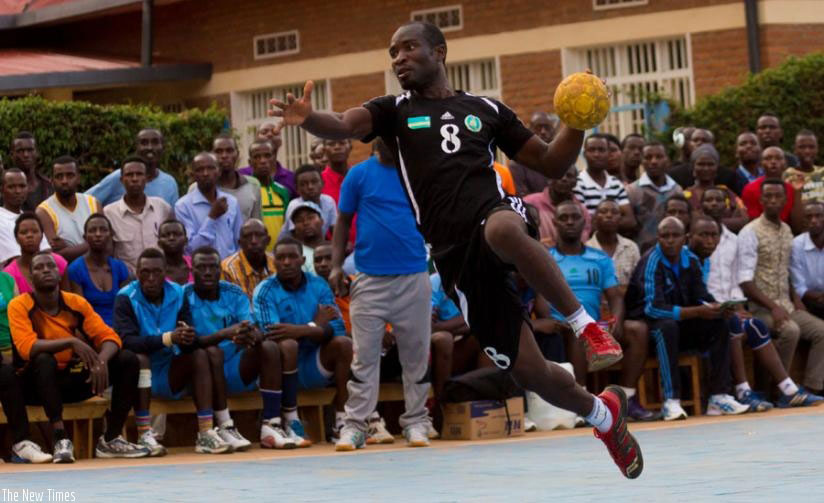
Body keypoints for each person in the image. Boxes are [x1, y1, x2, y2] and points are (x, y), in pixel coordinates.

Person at [270, 21, 642, 478]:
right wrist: (308, 118)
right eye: (393, 52)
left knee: (504, 228)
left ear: (440, 51)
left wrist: (578, 123)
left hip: (494, 216)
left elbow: (550, 161)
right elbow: (344, 124)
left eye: (409, 48)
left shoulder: (486, 109)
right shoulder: (394, 111)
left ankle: (588, 327)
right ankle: (604, 415)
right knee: (531, 372)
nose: (399, 58)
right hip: (454, 257)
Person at [328, 136, 434, 450]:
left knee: (416, 356)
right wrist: (336, 266)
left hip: (413, 275)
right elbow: (343, 222)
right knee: (363, 358)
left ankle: (416, 423)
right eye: (388, 135)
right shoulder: (359, 175)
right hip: (369, 278)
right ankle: (356, 427)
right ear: (376, 140)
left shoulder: (416, 171)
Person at [9, 252, 149, 462]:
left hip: (71, 381)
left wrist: (101, 360)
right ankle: (60, 439)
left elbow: (110, 336)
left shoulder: (76, 303)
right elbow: (26, 347)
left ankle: (111, 438)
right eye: (39, 267)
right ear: (31, 277)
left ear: (59, 274)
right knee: (44, 359)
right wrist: (71, 341)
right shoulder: (20, 305)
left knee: (128, 359)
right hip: (35, 385)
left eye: (50, 266)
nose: (46, 270)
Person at [185, 245, 310, 449]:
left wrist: (248, 335)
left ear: (220, 269)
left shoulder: (234, 293)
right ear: (192, 271)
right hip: (201, 374)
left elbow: (252, 327)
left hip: (234, 366)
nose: (207, 272)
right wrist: (224, 333)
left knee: (268, 347)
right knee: (211, 352)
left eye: (212, 267)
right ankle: (225, 426)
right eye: (201, 267)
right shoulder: (184, 296)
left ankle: (271, 425)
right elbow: (189, 342)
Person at [693, 211, 820, 409]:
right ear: (690, 236)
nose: (709, 241)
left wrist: (736, 306)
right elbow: (700, 295)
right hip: (706, 316)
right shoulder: (691, 258)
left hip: (730, 308)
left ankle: (793, 389)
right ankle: (749, 391)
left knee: (755, 325)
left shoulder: (785, 230)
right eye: (704, 235)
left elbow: (784, 273)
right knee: (745, 325)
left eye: (713, 236)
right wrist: (728, 308)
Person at [625, 217, 748, 420]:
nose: (670, 240)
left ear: (685, 238)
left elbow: (701, 296)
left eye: (675, 236)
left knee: (720, 322)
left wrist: (718, 307)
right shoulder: (651, 261)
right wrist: (697, 311)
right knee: (667, 327)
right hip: (650, 327)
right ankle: (671, 401)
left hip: (682, 323)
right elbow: (653, 308)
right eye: (665, 236)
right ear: (658, 238)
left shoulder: (690, 260)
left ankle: (719, 396)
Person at [114, 247, 232, 455]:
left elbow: (188, 336)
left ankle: (205, 433)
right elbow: (128, 341)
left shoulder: (177, 292)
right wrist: (169, 338)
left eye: (156, 272)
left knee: (199, 354)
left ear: (165, 272)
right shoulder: (125, 297)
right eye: (145, 273)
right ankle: (144, 434)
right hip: (138, 376)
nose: (151, 278)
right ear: (137, 273)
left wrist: (187, 336)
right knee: (139, 358)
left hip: (169, 370)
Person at [551, 201, 655, 421]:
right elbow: (541, 298)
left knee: (637, 329)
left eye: (574, 217)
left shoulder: (599, 259)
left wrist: (616, 319)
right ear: (554, 223)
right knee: (578, 330)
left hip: (594, 324)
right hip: (562, 326)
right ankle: (582, 404)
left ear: (584, 223)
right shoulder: (546, 258)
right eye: (563, 218)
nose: (570, 222)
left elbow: (615, 296)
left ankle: (626, 399)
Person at [253, 237, 352, 442]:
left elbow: (337, 328)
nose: (286, 262)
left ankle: (343, 421)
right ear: (274, 262)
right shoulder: (265, 290)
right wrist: (315, 325)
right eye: (280, 258)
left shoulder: (319, 286)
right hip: (279, 370)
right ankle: (291, 420)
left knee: (344, 344)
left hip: (314, 363)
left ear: (302, 259)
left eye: (292, 257)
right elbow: (272, 333)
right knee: (287, 345)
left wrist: (301, 330)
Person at [738, 180, 824, 395]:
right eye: (768, 196)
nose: (773, 200)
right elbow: (745, 282)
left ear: (785, 201)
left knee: (821, 331)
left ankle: (812, 386)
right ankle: (781, 391)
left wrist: (796, 299)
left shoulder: (787, 230)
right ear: (761, 200)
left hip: (787, 305)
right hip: (761, 309)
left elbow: (786, 272)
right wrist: (773, 307)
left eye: (778, 196)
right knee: (790, 331)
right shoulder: (750, 232)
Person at [104, 156, 173, 272]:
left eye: (139, 174)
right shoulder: (109, 213)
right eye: (129, 175)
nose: (134, 179)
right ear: (122, 180)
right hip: (127, 283)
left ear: (147, 178)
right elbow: (107, 255)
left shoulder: (162, 207)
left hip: (161, 279)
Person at [86, 129, 180, 207]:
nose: (150, 147)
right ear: (136, 148)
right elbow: (86, 201)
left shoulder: (169, 183)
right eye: (144, 143)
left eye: (155, 142)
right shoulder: (119, 177)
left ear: (163, 147)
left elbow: (173, 218)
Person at [175, 152, 243, 259]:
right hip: (201, 271)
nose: (205, 173)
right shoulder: (182, 206)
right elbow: (190, 249)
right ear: (193, 175)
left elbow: (239, 242)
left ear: (219, 172)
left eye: (211, 168)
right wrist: (212, 217)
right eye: (199, 170)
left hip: (230, 271)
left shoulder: (232, 202)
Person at [67, 214, 130, 326]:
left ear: (111, 235)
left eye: (103, 230)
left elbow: (127, 308)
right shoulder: (75, 269)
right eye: (92, 230)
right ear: (85, 237)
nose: (98, 234)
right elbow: (80, 313)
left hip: (120, 328)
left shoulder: (120, 268)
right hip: (91, 329)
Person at [36, 156, 102, 262]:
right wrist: (95, 243)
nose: (64, 181)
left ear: (78, 178)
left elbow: (107, 243)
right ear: (51, 180)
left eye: (70, 175)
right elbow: (57, 256)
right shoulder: (44, 211)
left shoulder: (93, 203)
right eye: (59, 176)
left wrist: (68, 247)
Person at [574, 134, 637, 235]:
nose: (596, 154)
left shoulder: (616, 183)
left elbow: (630, 221)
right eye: (592, 150)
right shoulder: (577, 183)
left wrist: (600, 224)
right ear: (584, 154)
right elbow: (581, 222)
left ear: (608, 154)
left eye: (601, 150)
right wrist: (613, 221)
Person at [626, 141, 682, 251]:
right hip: (642, 251)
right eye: (648, 157)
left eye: (659, 157)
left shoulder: (677, 190)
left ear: (667, 160)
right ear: (642, 161)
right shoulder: (632, 190)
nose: (654, 161)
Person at [683, 144, 748, 233]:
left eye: (710, 164)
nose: (706, 168)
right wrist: (727, 222)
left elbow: (744, 219)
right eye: (701, 164)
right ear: (693, 167)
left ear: (717, 168)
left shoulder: (726, 191)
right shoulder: (685, 195)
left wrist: (706, 223)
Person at [524, 165, 591, 247]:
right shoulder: (529, 202)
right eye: (559, 175)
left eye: (569, 176)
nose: (564, 178)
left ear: (575, 182)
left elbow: (582, 241)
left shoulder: (581, 211)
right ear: (549, 179)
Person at [5, 213, 71, 294]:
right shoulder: (9, 274)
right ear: (16, 238)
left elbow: (67, 297)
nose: (29, 236)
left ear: (42, 235)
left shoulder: (58, 261)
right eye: (24, 232)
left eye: (35, 231)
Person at [741, 146, 803, 231]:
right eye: (768, 158)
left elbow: (798, 226)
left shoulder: (792, 189)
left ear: (785, 163)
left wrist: (797, 193)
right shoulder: (750, 189)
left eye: (778, 158)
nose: (773, 162)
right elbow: (753, 223)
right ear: (760, 164)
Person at [206, 133, 262, 221]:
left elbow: (257, 223)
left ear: (237, 154)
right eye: (219, 151)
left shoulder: (253, 185)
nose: (224, 156)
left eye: (229, 151)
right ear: (212, 155)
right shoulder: (199, 187)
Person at [586, 199, 640, 288]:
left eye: (614, 212)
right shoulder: (586, 249)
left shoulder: (631, 247)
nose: (609, 215)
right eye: (603, 212)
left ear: (620, 218)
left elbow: (638, 283)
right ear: (595, 218)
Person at [0, 168, 49, 264]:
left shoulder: (30, 219)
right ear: (1, 190)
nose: (18, 191)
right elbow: (15, 258)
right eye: (11, 187)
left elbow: (47, 251)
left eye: (22, 186)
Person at [249, 139, 291, 250]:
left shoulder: (283, 191)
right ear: (250, 162)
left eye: (268, 156)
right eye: (257, 157)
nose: (263, 161)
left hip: (280, 255)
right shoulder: (246, 190)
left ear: (274, 158)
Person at [238, 121, 297, 198]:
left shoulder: (292, 178)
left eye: (275, 133)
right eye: (264, 132)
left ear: (281, 142)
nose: (269, 134)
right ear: (256, 138)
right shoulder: (241, 176)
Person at [221, 218, 276, 302]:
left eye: (259, 235)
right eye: (247, 236)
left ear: (268, 240)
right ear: (239, 243)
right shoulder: (227, 268)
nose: (253, 241)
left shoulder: (277, 264)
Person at [670, 128, 740, 191]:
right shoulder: (675, 175)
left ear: (712, 144)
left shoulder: (728, 176)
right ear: (688, 144)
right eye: (695, 140)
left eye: (705, 140)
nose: (699, 143)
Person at [281, 164, 338, 239]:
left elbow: (335, 230)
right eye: (303, 184)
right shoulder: (294, 206)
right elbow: (297, 237)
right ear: (297, 189)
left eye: (314, 182)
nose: (310, 187)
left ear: (323, 184)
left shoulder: (329, 201)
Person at [508, 112, 558, 196]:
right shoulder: (518, 163)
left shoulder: (560, 160)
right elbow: (523, 198)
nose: (543, 132)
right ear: (529, 131)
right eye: (538, 127)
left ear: (553, 132)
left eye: (547, 128)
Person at [792, 201, 824, 318]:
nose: (814, 220)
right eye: (809, 217)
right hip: (809, 302)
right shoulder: (796, 245)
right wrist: (818, 297)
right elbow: (799, 286)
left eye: (818, 216)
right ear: (804, 221)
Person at [9, 132, 53, 211]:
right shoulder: (3, 189)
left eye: (30, 150)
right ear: (12, 155)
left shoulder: (49, 187)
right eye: (20, 151)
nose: (26, 155)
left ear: (37, 153)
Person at [784, 130, 824, 203]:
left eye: (811, 147)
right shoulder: (787, 175)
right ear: (795, 150)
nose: (807, 151)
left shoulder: (822, 173)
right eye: (802, 147)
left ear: (817, 149)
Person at [290, 201, 326, 274]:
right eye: (299, 220)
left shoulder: (335, 250)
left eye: (310, 218)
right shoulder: (295, 256)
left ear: (322, 221)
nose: (306, 223)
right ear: (295, 229)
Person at [157, 219, 192, 285]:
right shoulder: (154, 270)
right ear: (159, 243)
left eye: (177, 234)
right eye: (166, 235)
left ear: (186, 240)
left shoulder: (196, 264)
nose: (171, 238)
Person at [320, 139, 353, 204]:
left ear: (350, 147)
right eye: (331, 144)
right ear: (324, 150)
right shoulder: (319, 182)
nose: (337, 147)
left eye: (342, 143)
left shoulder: (361, 177)